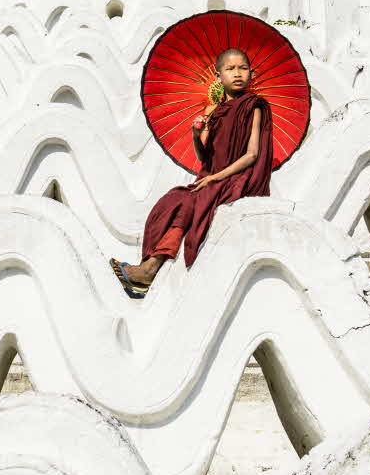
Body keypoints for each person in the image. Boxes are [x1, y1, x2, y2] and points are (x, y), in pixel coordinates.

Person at [110, 48, 274, 299]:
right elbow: (203, 157)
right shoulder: (213, 111)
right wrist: (197, 135)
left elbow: (251, 155)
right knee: (174, 199)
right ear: (219, 76)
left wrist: (216, 178)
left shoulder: (254, 106)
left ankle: (149, 269)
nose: (237, 73)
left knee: (191, 201)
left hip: (239, 179)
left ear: (251, 73)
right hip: (210, 177)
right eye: (230, 69)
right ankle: (149, 268)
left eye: (243, 68)